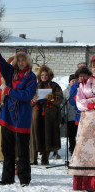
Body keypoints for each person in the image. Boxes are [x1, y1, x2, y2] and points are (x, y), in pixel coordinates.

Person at [0, 50, 37, 187]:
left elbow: (26, 95)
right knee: (6, 149)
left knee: (22, 150)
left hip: (21, 116)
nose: (21, 63)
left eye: (23, 60)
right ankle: (7, 178)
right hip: (8, 114)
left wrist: (8, 90)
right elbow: (0, 62)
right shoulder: (10, 73)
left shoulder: (31, 77)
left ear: (27, 61)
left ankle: (24, 179)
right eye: (18, 60)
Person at [68, 57, 95, 191]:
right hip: (88, 119)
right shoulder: (85, 83)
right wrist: (90, 103)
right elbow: (78, 101)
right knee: (86, 149)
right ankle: (88, 183)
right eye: (94, 66)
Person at [31, 66, 63, 165]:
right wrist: (34, 100)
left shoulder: (54, 86)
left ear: (49, 75)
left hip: (50, 115)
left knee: (48, 135)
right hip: (37, 114)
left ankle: (45, 158)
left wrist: (51, 97)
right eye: (42, 75)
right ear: (39, 76)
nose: (44, 77)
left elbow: (60, 98)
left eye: (46, 75)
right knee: (36, 135)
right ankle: (34, 157)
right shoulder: (34, 86)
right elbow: (29, 98)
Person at [62, 74, 78, 155]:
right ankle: (72, 149)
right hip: (70, 117)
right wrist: (62, 116)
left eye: (76, 80)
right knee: (71, 135)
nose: (74, 82)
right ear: (69, 82)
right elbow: (62, 104)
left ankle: (79, 150)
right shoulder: (65, 92)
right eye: (72, 81)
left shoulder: (80, 89)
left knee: (79, 135)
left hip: (79, 116)